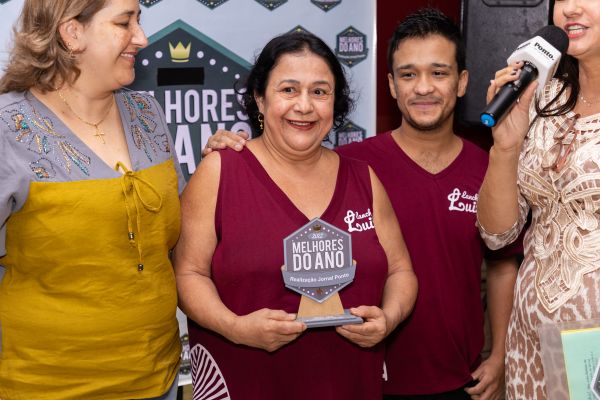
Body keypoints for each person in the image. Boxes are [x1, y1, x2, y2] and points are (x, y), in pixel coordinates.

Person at [206, 9, 520, 400]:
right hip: (365, 375)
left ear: (462, 82)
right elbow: (278, 176)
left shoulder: (488, 166)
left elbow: (502, 263)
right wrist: (231, 150)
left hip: (460, 376)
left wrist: (500, 355)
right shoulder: (351, 166)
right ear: (391, 85)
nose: (423, 87)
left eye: (439, 72)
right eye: (408, 74)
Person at [174, 31, 417, 400]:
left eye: (320, 92)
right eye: (288, 90)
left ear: (335, 103)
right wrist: (235, 327)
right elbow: (188, 274)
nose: (304, 106)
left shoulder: (363, 178)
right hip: (247, 382)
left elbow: (401, 271)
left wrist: (390, 317)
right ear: (260, 98)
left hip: (349, 384)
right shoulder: (221, 172)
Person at [0, 1, 184, 399]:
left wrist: (226, 164)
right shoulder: (7, 128)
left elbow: (181, 235)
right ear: (72, 32)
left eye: (139, 20)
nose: (141, 37)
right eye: (124, 22)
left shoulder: (147, 113)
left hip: (158, 378)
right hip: (43, 386)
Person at [477, 0, 600, 398]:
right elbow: (497, 234)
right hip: (532, 337)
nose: (571, 8)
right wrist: (505, 147)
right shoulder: (541, 97)